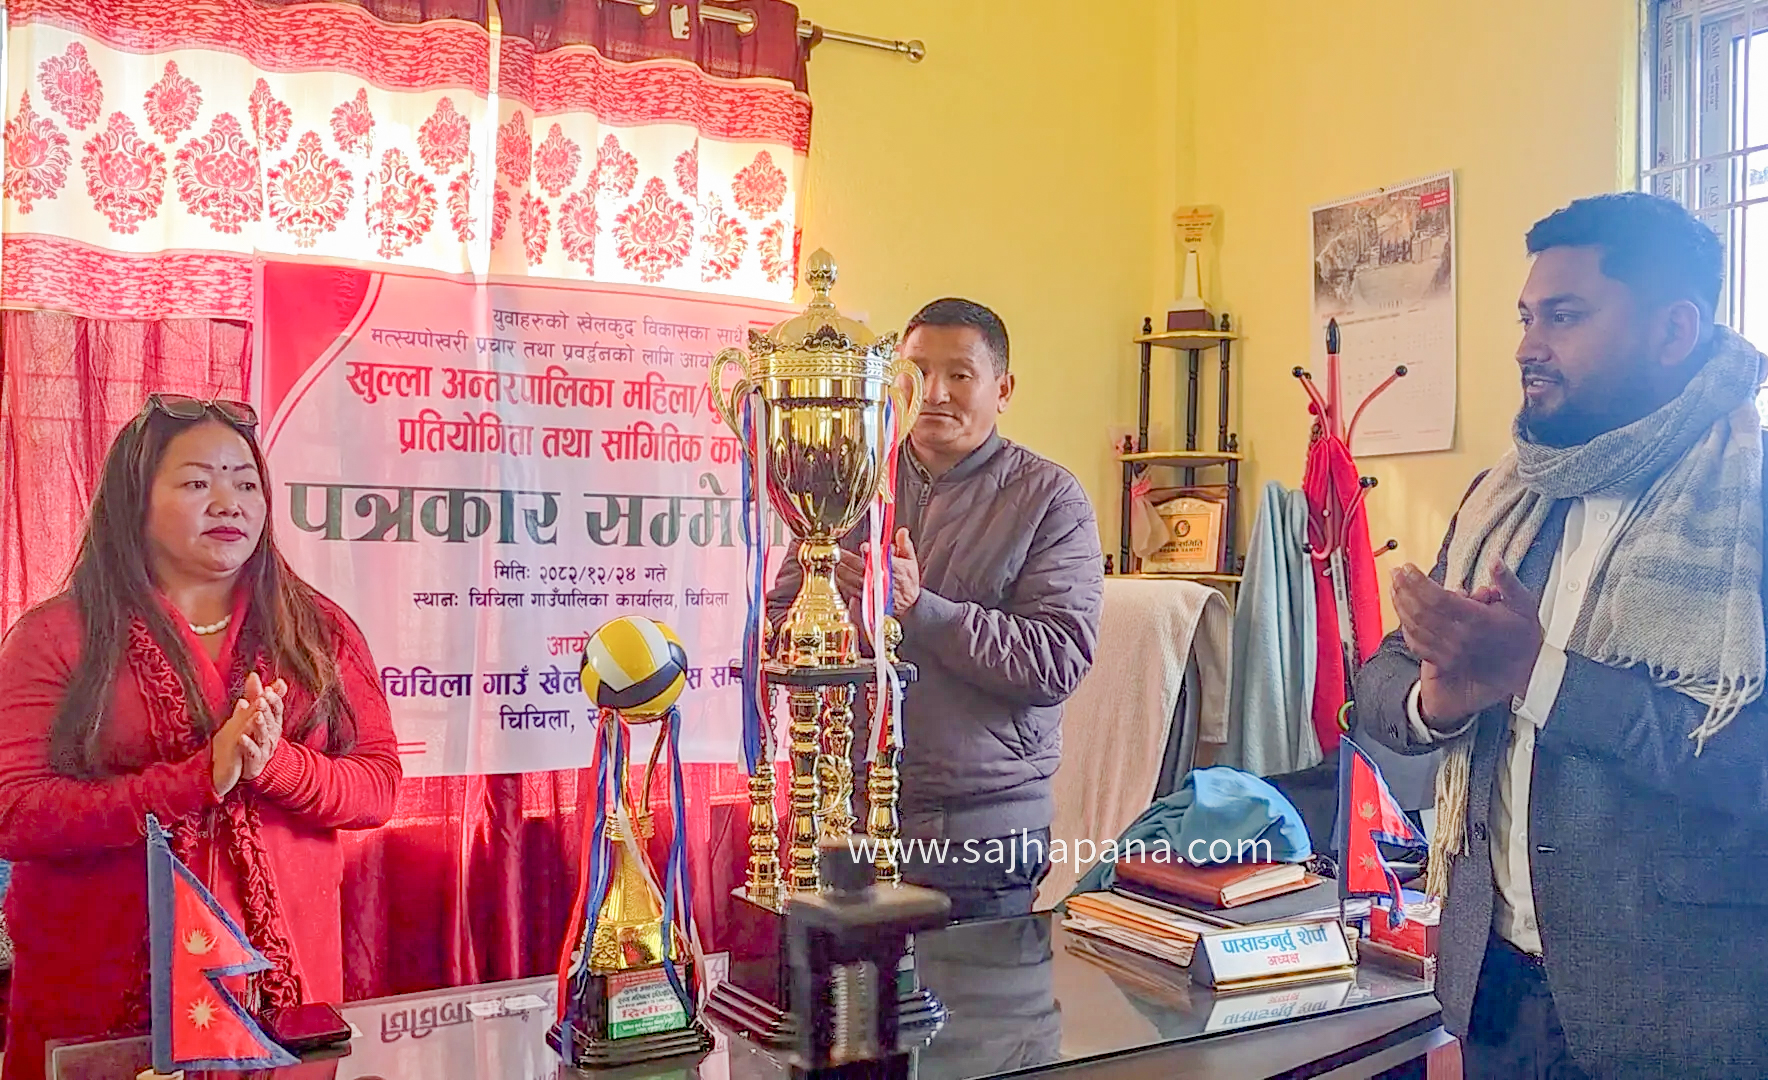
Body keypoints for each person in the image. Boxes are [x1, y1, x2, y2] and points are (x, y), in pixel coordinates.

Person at [1358, 192, 1768, 1078]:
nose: (1527, 346)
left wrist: (1537, 675)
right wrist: (1436, 699)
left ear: (1674, 330)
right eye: (1526, 317)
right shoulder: (1505, 497)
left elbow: (1749, 765)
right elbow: (1382, 678)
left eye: (1566, 316)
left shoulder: (1751, 503)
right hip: (1497, 993)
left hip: (1684, 1016)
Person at [0, 395, 402, 1080]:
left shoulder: (317, 630)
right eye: (196, 483)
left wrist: (275, 765)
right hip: (98, 1010)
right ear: (135, 501)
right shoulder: (56, 635)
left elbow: (379, 785)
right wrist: (194, 780)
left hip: (281, 1005)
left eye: (246, 484)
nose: (228, 503)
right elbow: (14, 814)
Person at [768, 298, 1104, 920]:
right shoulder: (851, 482)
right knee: (838, 988)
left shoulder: (1050, 499)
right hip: (849, 821)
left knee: (973, 986)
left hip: (981, 832)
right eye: (918, 372)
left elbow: (1056, 661)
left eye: (960, 374)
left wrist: (920, 610)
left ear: (1003, 389)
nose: (934, 393)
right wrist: (824, 618)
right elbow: (781, 619)